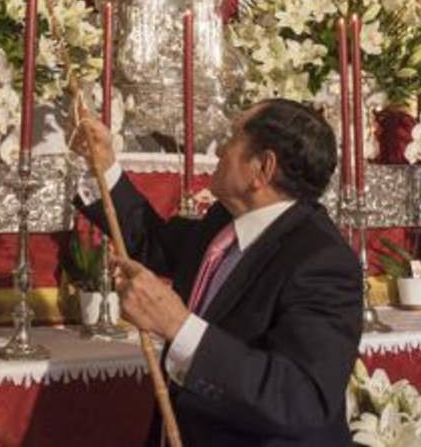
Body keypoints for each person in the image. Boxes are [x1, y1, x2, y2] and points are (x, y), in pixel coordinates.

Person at [71, 98, 363, 446]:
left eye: (234, 137)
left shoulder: (322, 261)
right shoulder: (225, 220)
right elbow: (153, 242)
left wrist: (178, 326)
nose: (221, 149)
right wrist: (103, 167)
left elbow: (301, 398)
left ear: (263, 169)